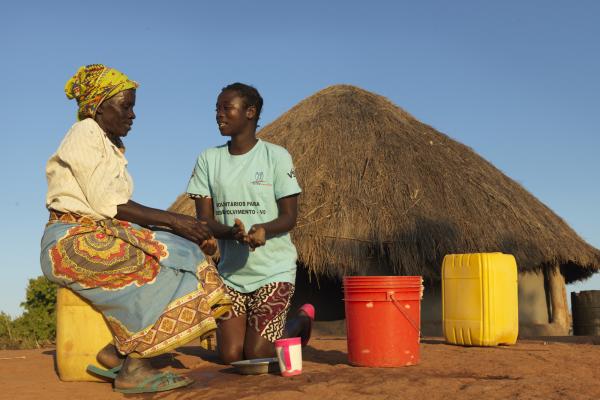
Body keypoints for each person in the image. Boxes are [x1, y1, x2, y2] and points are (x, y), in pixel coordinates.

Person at [40, 64, 231, 394]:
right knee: (164, 268)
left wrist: (179, 230)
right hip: (72, 243)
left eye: (133, 106)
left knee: (182, 252)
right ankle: (134, 365)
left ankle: (118, 351)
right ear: (99, 107)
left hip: (91, 233)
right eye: (125, 106)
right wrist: (176, 220)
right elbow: (109, 205)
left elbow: (111, 208)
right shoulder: (85, 132)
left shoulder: (107, 144)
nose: (133, 115)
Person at [187, 82, 314, 364]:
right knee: (231, 356)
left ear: (250, 112)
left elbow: (289, 217)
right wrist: (231, 233)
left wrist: (264, 230)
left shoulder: (276, 157)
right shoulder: (209, 159)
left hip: (273, 271)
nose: (219, 114)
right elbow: (204, 219)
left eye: (226, 108)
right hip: (231, 274)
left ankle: (300, 324)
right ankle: (281, 328)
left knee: (256, 354)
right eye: (217, 108)